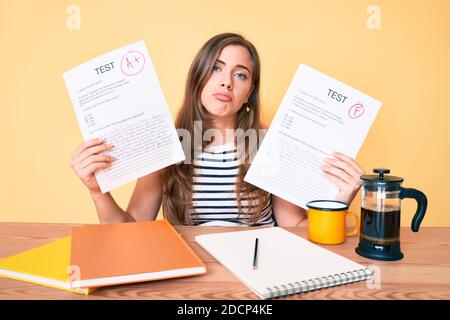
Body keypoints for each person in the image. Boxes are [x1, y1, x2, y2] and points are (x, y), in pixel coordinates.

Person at [69, 33, 364, 226]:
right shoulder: (166, 146)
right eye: (216, 68)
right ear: (197, 77)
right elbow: (129, 232)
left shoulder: (269, 145)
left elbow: (295, 229)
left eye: (240, 74)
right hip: (188, 281)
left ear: (249, 91)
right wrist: (97, 191)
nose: (226, 82)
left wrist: (339, 198)